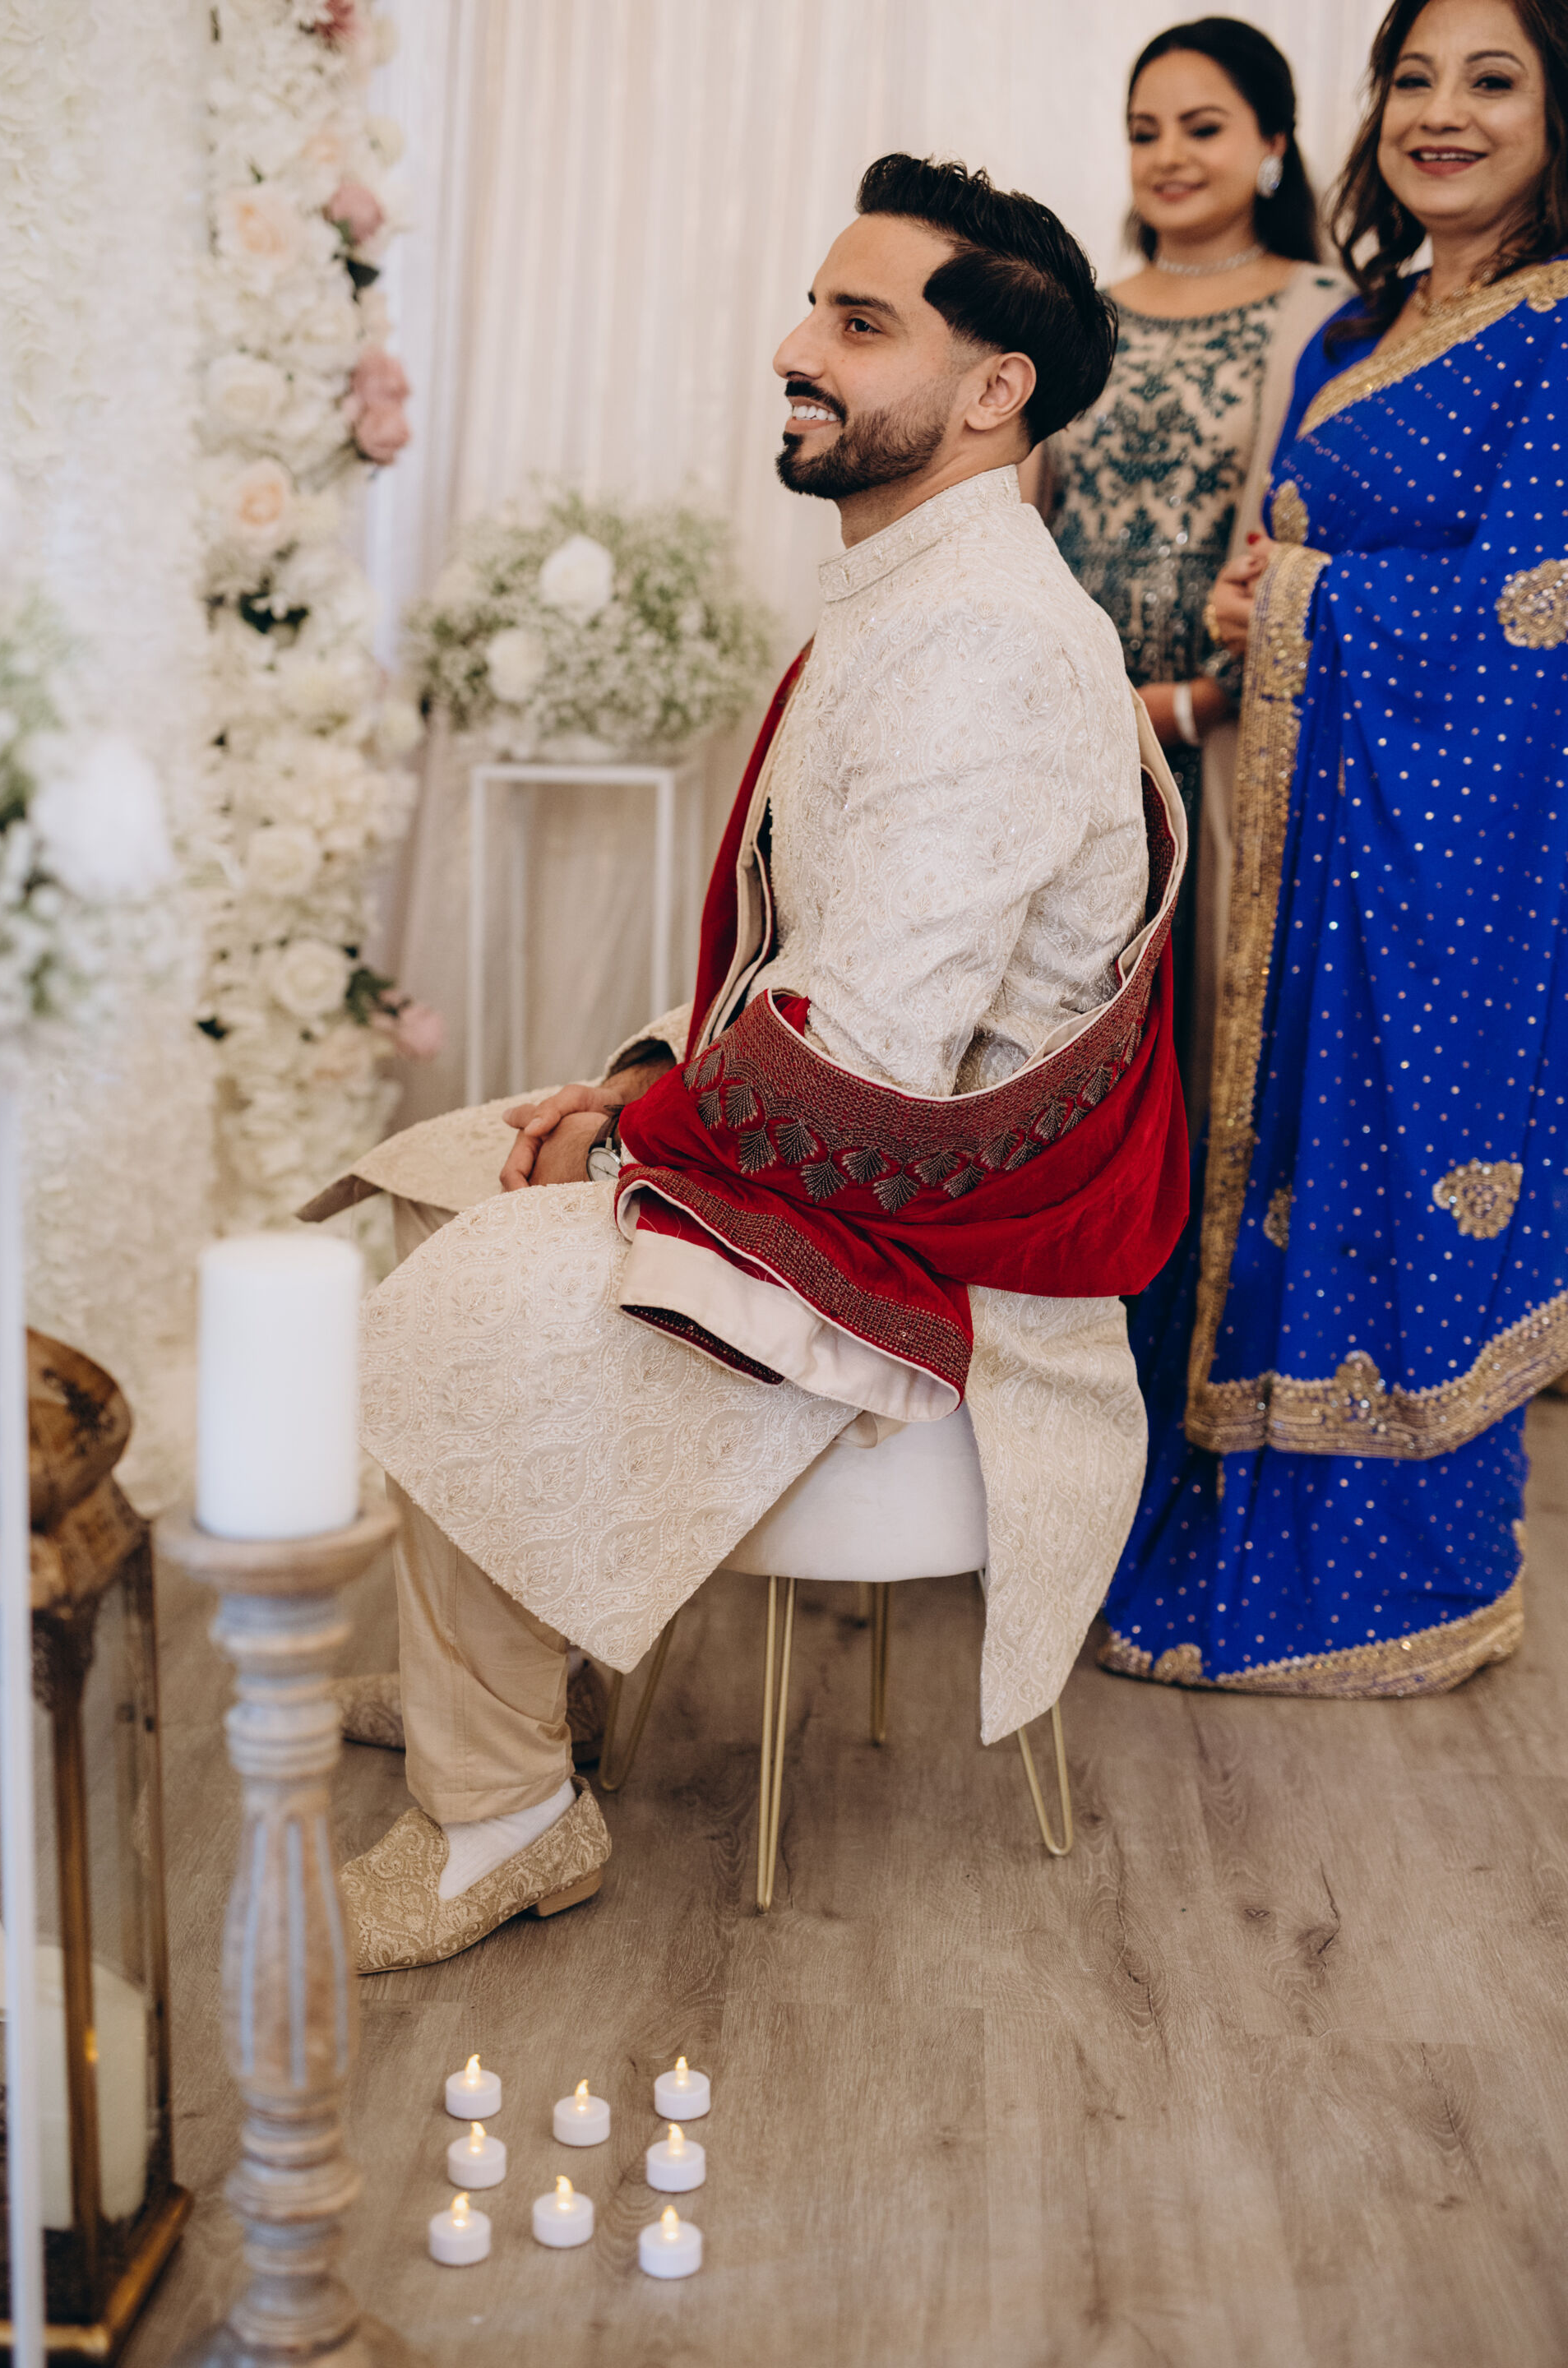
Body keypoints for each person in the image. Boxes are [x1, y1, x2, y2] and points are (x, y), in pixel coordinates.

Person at [315, 155, 1190, 1973]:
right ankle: (513, 1705)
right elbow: (810, 972)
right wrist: (629, 1090)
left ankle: (503, 1827)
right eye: (815, 307)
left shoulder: (985, 644)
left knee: (473, 1286)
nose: (796, 349)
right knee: (446, 1172)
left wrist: (634, 1130)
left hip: (942, 1247)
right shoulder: (920, 591)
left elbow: (863, 1061)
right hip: (869, 1157)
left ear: (994, 387)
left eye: (858, 325)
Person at [1102, 0, 1568, 1699]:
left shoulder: (1555, 334)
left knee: (1392, 1154)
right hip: (1302, 844)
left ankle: (1404, 1579)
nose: (1442, 112)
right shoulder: (1362, 331)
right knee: (1261, 1157)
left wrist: (1296, 600)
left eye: (1493, 80)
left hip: (1451, 850)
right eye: (1414, 79)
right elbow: (1285, 546)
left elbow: (1535, 615)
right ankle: (1233, 1525)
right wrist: (1262, 588)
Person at [1038, 16, 1344, 1117]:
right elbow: (1026, 518)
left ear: (1273, 145)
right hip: (1073, 743)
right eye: (1144, 131)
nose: (1168, 155)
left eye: (1202, 128)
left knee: (1212, 1046)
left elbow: (1324, 530)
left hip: (1236, 743)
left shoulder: (1333, 316)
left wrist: (1198, 700)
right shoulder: (1078, 322)